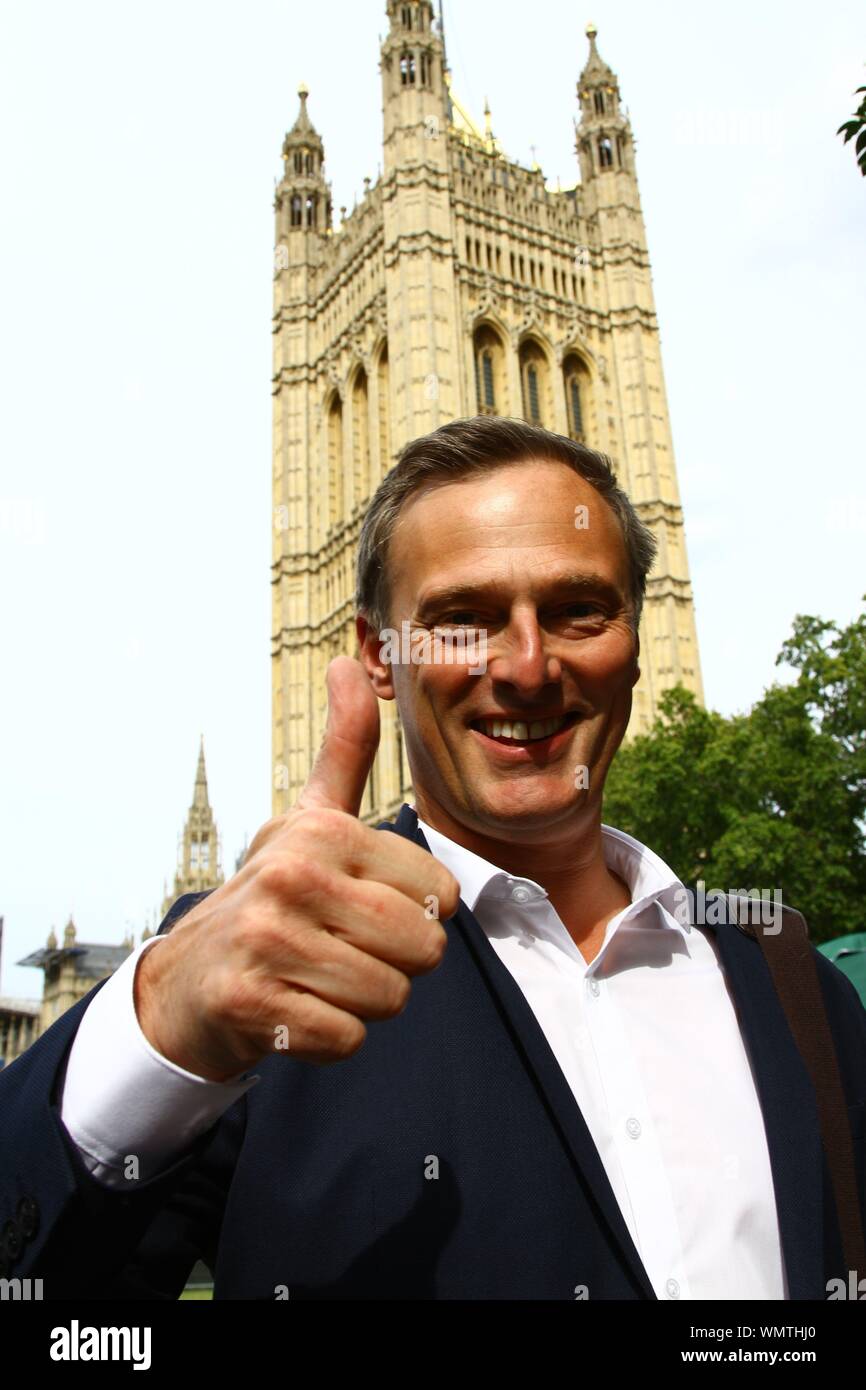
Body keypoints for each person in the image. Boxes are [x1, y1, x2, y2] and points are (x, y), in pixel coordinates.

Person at [2, 416, 864, 1300]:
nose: (528, 668)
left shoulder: (792, 983)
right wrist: (156, 1025)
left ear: (636, 636)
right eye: (463, 619)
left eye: (577, 610)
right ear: (380, 655)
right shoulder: (264, 993)